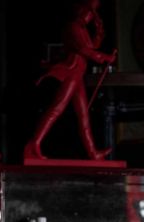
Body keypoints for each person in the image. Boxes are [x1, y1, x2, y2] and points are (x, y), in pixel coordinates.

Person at [23, 0, 116, 161]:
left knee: (83, 116)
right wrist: (105, 57)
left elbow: (92, 46)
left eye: (92, 13)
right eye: (89, 12)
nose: (90, 16)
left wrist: (99, 32)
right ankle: (34, 144)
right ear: (81, 10)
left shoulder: (82, 29)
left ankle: (92, 153)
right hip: (71, 73)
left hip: (78, 75)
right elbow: (85, 51)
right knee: (57, 109)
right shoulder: (72, 27)